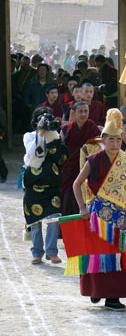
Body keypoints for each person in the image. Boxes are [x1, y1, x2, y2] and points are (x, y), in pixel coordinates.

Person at [72, 109, 126, 311]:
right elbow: (77, 184)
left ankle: (113, 298)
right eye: (111, 140)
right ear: (104, 140)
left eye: (118, 140)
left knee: (120, 255)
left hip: (123, 220)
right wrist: (82, 207)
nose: (115, 144)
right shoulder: (94, 160)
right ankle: (95, 292)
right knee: (99, 255)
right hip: (98, 218)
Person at [23, 107, 67, 264]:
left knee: (54, 218)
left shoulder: (55, 135)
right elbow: (33, 157)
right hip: (33, 186)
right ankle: (37, 252)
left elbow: (60, 157)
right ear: (36, 122)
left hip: (52, 184)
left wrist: (55, 135)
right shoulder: (29, 136)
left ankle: (51, 251)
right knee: (35, 220)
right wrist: (40, 134)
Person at [60, 101, 101, 217]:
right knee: (68, 199)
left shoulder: (92, 127)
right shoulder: (66, 129)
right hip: (70, 169)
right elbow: (60, 150)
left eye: (86, 111)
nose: (83, 114)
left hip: (87, 169)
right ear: (74, 112)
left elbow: (99, 146)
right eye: (80, 111)